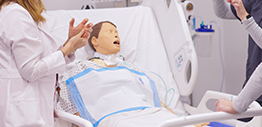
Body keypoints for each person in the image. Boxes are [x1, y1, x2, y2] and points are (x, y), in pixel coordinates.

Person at [0, 0, 93, 127]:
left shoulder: (26, 14)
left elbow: (42, 60)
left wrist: (70, 44)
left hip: (30, 106)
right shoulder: (16, 15)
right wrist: (67, 48)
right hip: (18, 112)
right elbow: (31, 70)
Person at [57, 21, 188, 127]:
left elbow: (153, 100)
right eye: (110, 32)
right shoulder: (83, 69)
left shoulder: (131, 69)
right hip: (115, 118)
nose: (116, 35)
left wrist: (181, 119)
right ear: (95, 41)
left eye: (117, 33)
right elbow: (70, 100)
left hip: (150, 113)